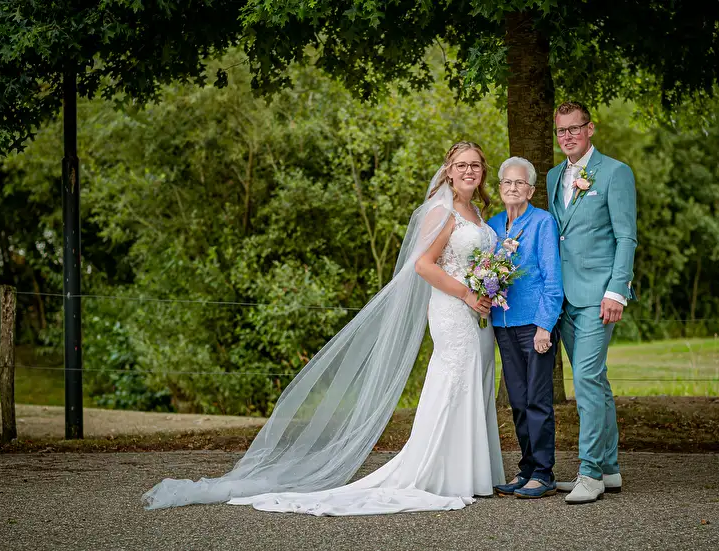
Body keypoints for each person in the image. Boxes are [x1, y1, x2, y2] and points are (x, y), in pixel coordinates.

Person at [144, 142, 505, 515]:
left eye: (475, 165)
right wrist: (466, 293)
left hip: (478, 311)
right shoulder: (441, 211)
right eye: (461, 165)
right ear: (448, 170)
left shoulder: (476, 211)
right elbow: (423, 266)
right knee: (452, 380)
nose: (469, 171)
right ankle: (440, 472)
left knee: (475, 378)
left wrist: (489, 286)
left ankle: (473, 472)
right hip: (453, 308)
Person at [545, 101, 637, 504]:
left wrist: (617, 290)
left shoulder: (615, 173)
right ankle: (610, 468)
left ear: (590, 129)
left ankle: (589, 473)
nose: (567, 137)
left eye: (574, 129)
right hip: (562, 297)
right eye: (561, 131)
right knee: (595, 381)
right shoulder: (551, 177)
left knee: (584, 378)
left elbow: (626, 236)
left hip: (599, 296)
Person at [487, 157, 563, 499]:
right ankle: (527, 469)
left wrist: (545, 326)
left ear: (531, 190)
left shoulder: (543, 222)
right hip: (503, 324)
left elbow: (552, 279)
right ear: (500, 188)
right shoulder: (493, 224)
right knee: (518, 400)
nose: (512, 188)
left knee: (538, 399)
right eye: (507, 183)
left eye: (519, 183)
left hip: (534, 326)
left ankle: (544, 472)